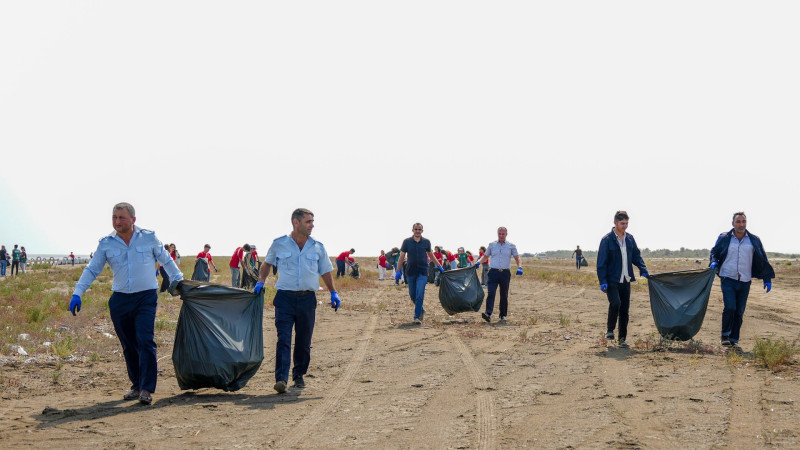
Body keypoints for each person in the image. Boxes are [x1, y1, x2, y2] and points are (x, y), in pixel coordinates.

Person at [69, 202, 182, 405]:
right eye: (114, 217)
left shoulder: (148, 237)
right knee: (129, 345)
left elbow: (166, 259)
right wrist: (78, 292)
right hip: (120, 300)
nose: (117, 221)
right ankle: (136, 385)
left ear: (133, 220)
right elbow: (92, 269)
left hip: (146, 297)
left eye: (121, 217)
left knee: (145, 340)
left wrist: (178, 280)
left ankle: (146, 389)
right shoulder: (106, 243)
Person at [253, 208, 341, 393]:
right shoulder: (279, 244)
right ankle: (281, 379)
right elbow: (267, 263)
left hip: (307, 300)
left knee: (303, 340)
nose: (312, 225)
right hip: (284, 298)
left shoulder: (318, 247)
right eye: (308, 221)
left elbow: (325, 271)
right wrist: (261, 281)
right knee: (283, 339)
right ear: (296, 222)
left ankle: (299, 374)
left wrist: (333, 292)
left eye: (312, 221)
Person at [710, 212, 775, 347]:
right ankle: (725, 335)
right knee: (730, 307)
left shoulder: (754, 240)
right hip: (727, 277)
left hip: (745, 280)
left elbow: (762, 258)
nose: (741, 224)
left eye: (743, 221)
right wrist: (713, 261)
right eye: (738, 221)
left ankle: (734, 339)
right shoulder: (725, 238)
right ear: (733, 223)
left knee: (739, 311)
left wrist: (767, 278)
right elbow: (715, 251)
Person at [596, 210, 649, 348]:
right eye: (622, 223)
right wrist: (603, 281)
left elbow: (636, 256)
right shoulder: (607, 240)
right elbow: (601, 262)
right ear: (615, 222)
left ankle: (622, 339)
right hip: (612, 279)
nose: (625, 226)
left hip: (626, 279)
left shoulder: (630, 239)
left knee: (625, 310)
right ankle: (610, 330)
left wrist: (643, 268)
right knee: (616, 303)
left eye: (626, 223)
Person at [395, 223, 444, 324]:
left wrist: (439, 266)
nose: (417, 231)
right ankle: (421, 309)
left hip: (423, 271)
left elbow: (431, 255)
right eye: (416, 229)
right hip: (410, 272)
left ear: (422, 231)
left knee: (420, 294)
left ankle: (417, 317)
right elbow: (401, 256)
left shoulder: (426, 242)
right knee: (412, 295)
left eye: (419, 229)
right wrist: (398, 271)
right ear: (412, 230)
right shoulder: (406, 242)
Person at [475, 227, 523, 323]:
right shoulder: (492, 245)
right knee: (491, 293)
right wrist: (478, 262)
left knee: (504, 294)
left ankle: (502, 315)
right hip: (493, 272)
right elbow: (485, 256)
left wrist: (520, 267)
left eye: (503, 234)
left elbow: (517, 258)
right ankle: (488, 313)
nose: (501, 236)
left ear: (506, 234)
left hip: (505, 273)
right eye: (499, 234)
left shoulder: (511, 246)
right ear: (497, 234)